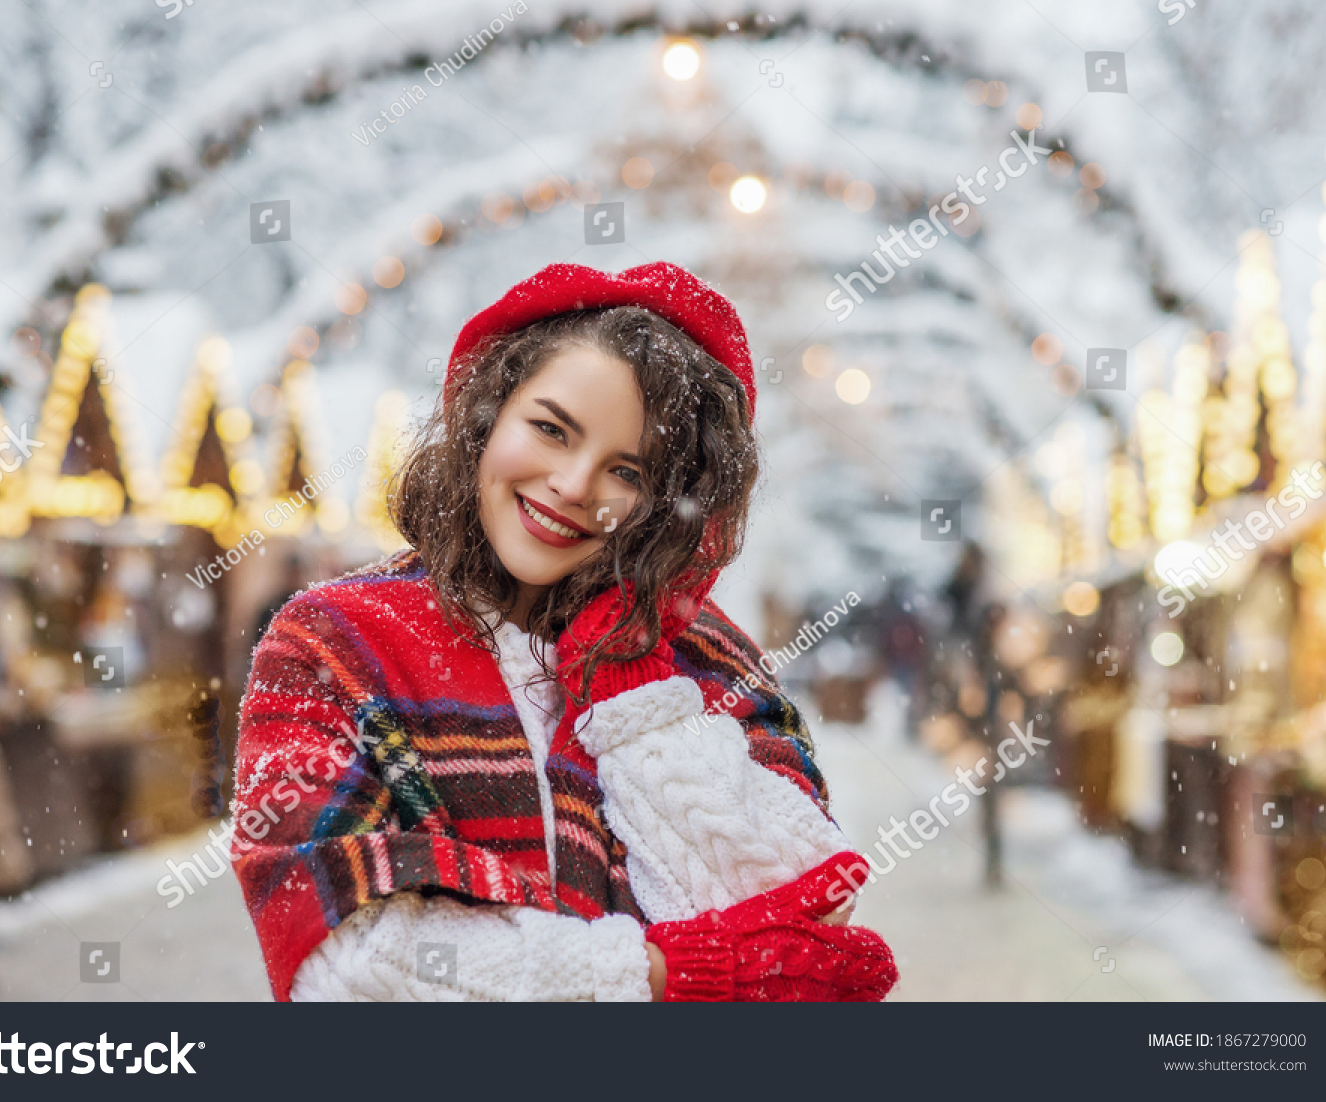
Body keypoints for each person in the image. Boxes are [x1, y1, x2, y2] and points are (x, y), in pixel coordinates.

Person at [232, 262, 898, 1002]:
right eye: (551, 430)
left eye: (629, 472)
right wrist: (670, 975)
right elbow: (350, 964)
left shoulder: (714, 660)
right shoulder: (332, 645)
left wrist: (635, 693)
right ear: (487, 415)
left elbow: (800, 907)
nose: (575, 485)